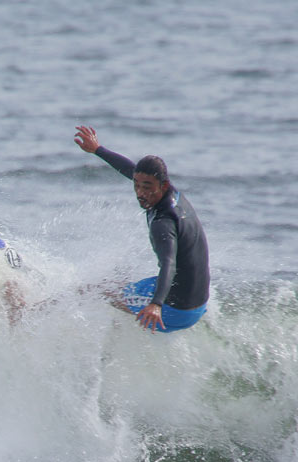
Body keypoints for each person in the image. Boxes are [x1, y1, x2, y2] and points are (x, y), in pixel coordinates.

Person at [74, 125, 209, 333]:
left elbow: (169, 264)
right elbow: (131, 169)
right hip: (197, 302)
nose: (140, 193)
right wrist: (97, 149)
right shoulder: (172, 195)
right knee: (117, 278)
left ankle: (28, 312)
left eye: (146, 188)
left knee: (94, 289)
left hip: (175, 311)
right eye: (136, 185)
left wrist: (155, 304)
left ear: (162, 186)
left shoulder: (162, 222)